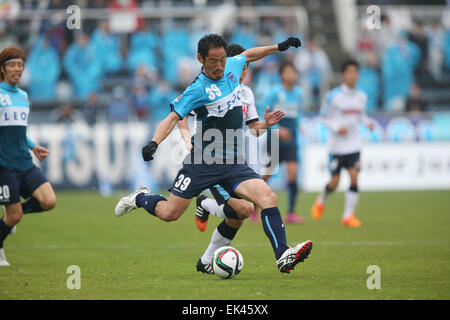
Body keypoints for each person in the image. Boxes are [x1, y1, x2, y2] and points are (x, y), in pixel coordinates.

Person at [115, 34, 312, 274]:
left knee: (264, 199)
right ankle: (141, 197)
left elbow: (249, 54)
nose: (220, 66)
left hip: (233, 163)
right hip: (203, 162)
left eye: (222, 60)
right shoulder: (197, 89)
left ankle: (282, 254)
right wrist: (154, 142)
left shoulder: (231, 65)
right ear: (200, 59)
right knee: (170, 213)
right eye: (213, 61)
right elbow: (173, 118)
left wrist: (278, 47)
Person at [177, 43, 286, 273]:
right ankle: (205, 204)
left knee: (241, 214)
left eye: (246, 68)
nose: (244, 72)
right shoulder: (207, 88)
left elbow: (253, 129)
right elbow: (180, 112)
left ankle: (205, 260)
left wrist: (266, 124)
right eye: (240, 67)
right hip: (212, 159)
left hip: (237, 160)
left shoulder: (246, 93)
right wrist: (187, 139)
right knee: (243, 209)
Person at [0, 47, 57, 266]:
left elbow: (19, 130)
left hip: (23, 161)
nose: (17, 69)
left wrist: (32, 147)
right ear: (3, 69)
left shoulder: (23, 96)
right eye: (12, 65)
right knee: (14, 217)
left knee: (49, 201)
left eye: (20, 65)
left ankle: (10, 215)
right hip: (4, 165)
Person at [311, 59, 375, 227]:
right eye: (350, 72)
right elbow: (322, 116)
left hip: (354, 144)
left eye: (355, 72)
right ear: (344, 75)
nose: (353, 76)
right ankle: (321, 199)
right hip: (337, 146)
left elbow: (360, 116)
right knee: (334, 183)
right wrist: (337, 127)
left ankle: (348, 216)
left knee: (354, 176)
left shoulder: (362, 97)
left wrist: (368, 122)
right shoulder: (334, 96)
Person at [259, 61, 305, 224]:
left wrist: (299, 124)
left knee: (293, 175)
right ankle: (252, 206)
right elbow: (263, 110)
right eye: (288, 72)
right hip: (275, 139)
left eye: (293, 72)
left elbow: (298, 112)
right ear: (282, 75)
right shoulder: (275, 92)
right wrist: (278, 129)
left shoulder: (299, 93)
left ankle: (291, 212)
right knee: (267, 175)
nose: (291, 75)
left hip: (291, 139)